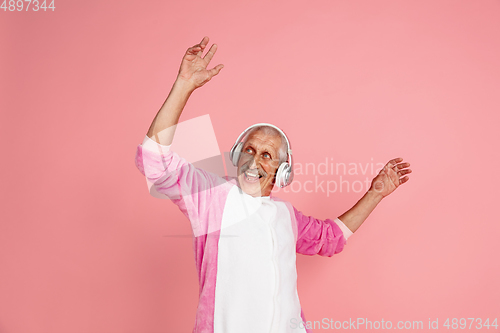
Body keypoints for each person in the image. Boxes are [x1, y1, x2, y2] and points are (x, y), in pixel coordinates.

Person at [134, 36, 412, 333]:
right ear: (238, 156)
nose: (254, 162)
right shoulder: (212, 197)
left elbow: (331, 238)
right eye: (250, 151)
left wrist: (376, 193)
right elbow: (154, 162)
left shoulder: (287, 216)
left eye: (266, 155)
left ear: (283, 172)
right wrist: (184, 86)